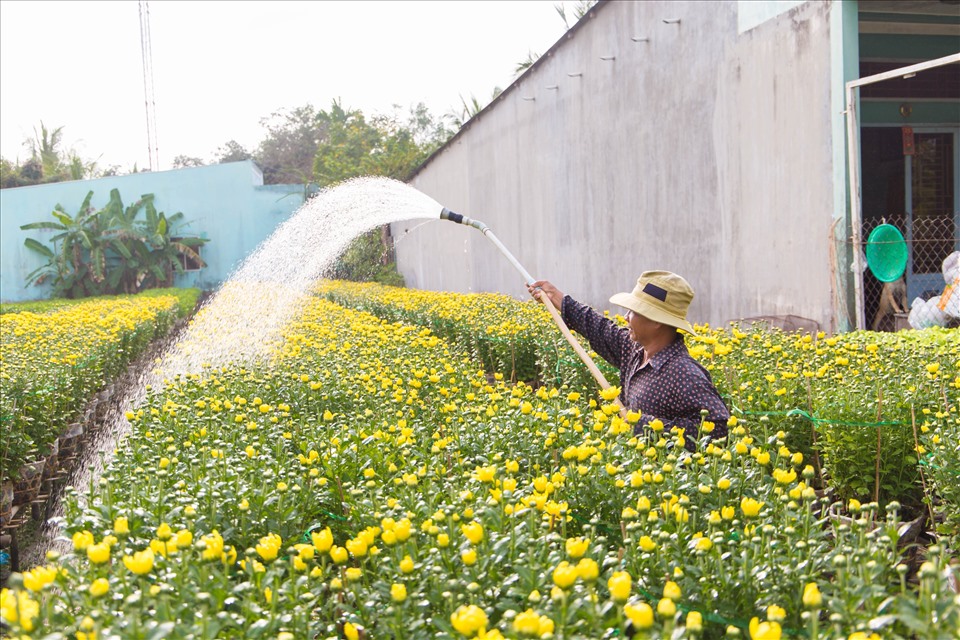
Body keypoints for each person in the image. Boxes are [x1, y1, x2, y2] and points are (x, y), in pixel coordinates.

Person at [528, 271, 729, 449]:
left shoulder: (682, 372)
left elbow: (718, 427)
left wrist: (647, 427)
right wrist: (558, 298)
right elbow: (600, 328)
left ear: (656, 321)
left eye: (633, 311)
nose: (625, 317)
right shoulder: (635, 350)